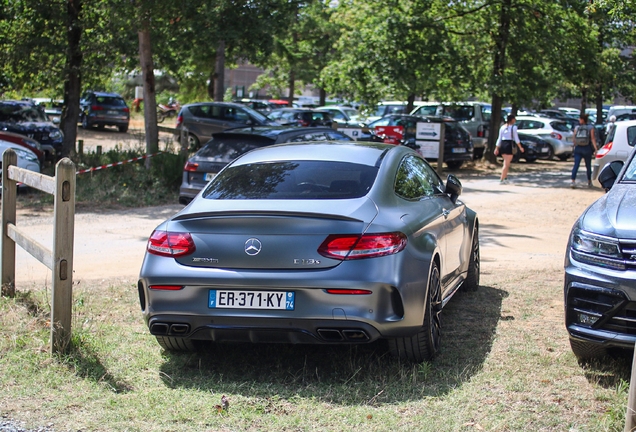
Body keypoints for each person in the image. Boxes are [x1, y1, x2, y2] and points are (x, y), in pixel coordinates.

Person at [494, 114, 524, 184]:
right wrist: (520, 147)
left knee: (506, 162)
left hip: (503, 145)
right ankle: (501, 179)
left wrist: (497, 148)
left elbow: (499, 138)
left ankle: (505, 178)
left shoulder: (502, 127)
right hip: (509, 145)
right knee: (506, 164)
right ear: (512, 120)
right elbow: (516, 139)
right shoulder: (514, 127)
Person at [571, 113, 598, 188]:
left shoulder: (577, 128)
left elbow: (574, 138)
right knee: (588, 166)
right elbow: (592, 139)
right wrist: (595, 149)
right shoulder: (590, 127)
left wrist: (574, 145)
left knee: (576, 165)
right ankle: (589, 181)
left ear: (582, 119)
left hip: (578, 148)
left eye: (580, 119)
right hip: (587, 148)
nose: (579, 120)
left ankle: (573, 181)